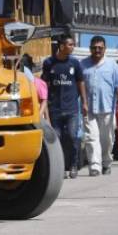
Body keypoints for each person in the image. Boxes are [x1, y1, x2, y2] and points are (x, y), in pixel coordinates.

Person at [42, 35, 87, 179]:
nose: (72, 47)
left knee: (73, 137)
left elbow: (81, 83)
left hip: (72, 109)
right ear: (61, 46)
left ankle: (73, 165)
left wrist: (84, 103)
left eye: (73, 44)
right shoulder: (49, 63)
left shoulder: (75, 63)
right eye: (70, 44)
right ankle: (60, 168)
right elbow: (45, 85)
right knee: (57, 138)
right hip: (55, 109)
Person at [81, 36, 118, 176]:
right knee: (91, 137)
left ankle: (106, 162)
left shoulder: (112, 65)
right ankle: (95, 166)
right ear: (90, 49)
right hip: (88, 108)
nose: (97, 50)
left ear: (104, 49)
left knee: (107, 139)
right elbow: (79, 84)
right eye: (94, 48)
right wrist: (82, 102)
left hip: (106, 107)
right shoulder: (82, 64)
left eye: (100, 48)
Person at [21, 53, 49, 121]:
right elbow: (44, 102)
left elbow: (44, 102)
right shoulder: (40, 83)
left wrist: (39, 118)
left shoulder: (39, 83)